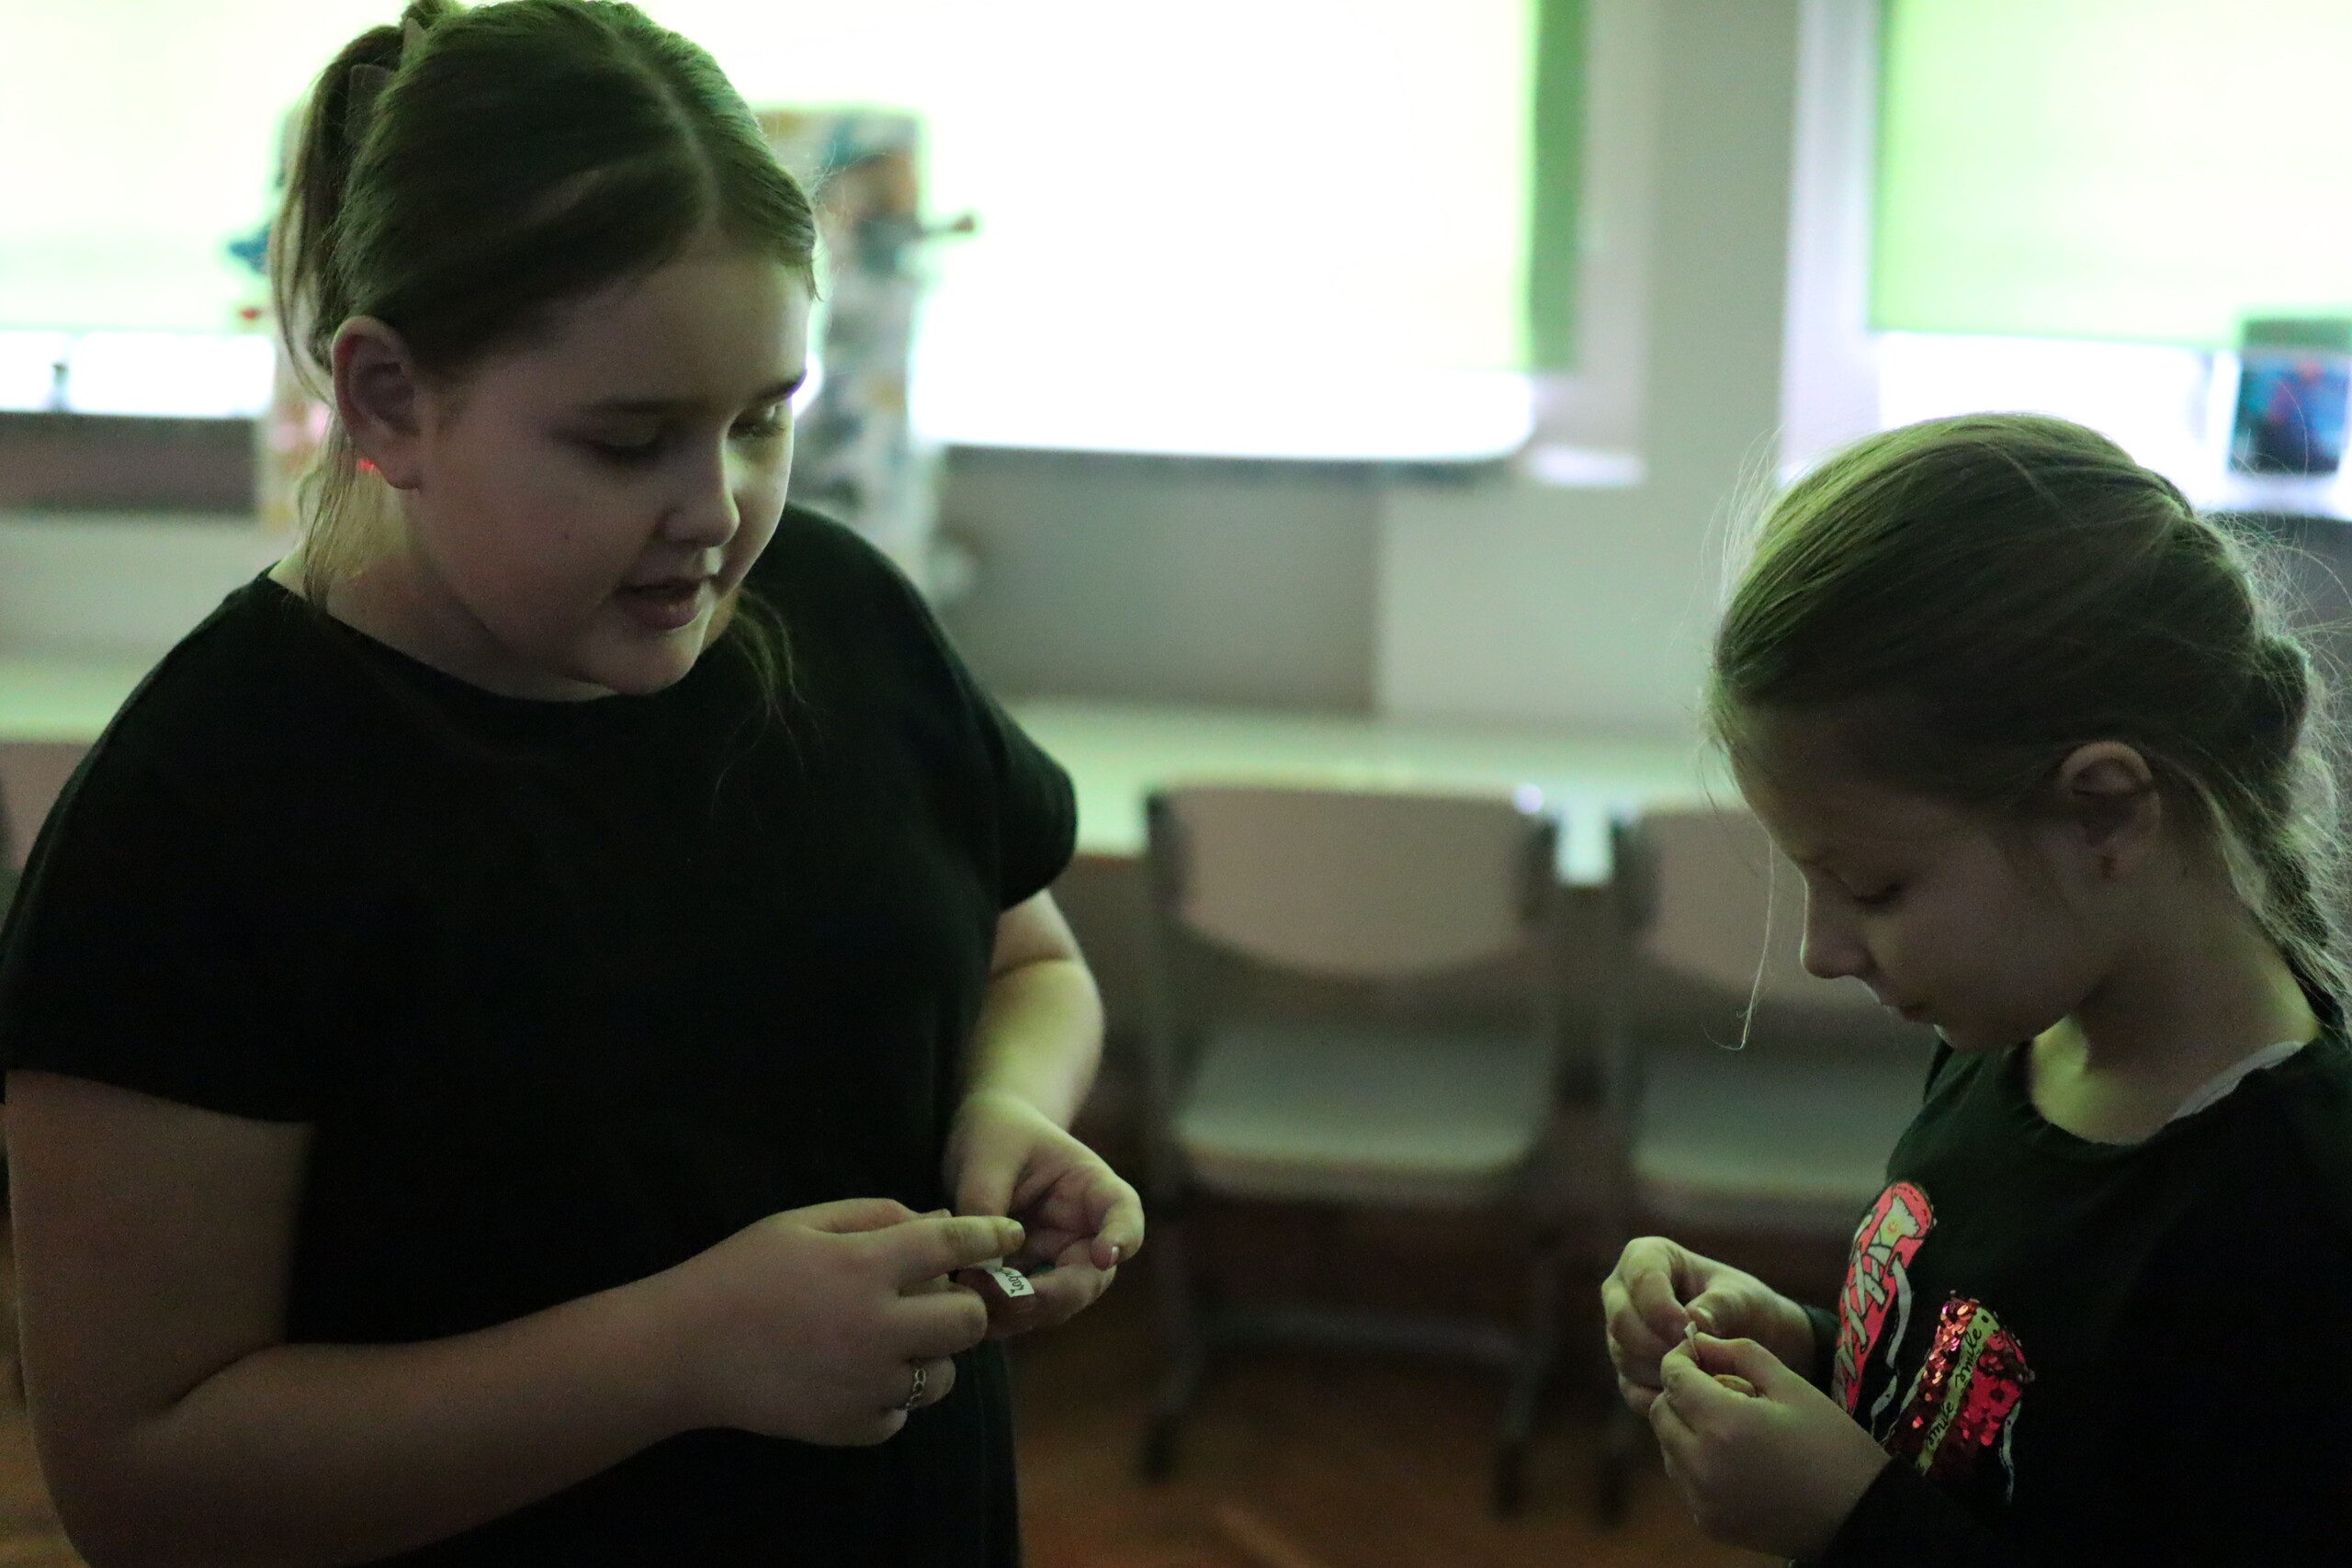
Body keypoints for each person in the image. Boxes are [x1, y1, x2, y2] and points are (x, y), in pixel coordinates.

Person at [0, 4, 1141, 1563]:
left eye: (762, 421)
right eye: (627, 441)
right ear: (387, 400)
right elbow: (145, 1478)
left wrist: (1003, 1108)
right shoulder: (207, 811)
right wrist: (680, 1352)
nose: (717, 510)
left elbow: (1030, 961)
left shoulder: (844, 615)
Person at [1602, 413, 2352, 1565]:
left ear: (2102, 810)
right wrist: (1806, 1355)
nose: (1822, 952)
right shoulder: (2012, 1040)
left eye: (1876, 887)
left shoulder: (2290, 1227)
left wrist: (1854, 1520)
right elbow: (1998, 1425)